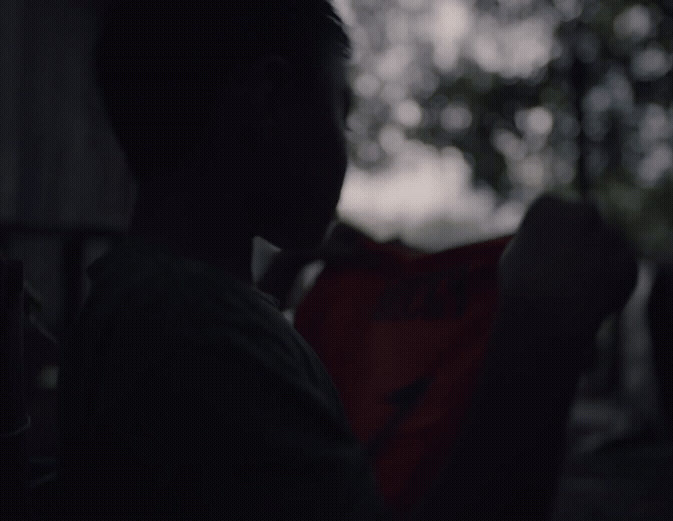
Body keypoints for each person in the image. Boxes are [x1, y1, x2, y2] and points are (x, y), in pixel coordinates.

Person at [56, 1, 637, 518]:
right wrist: (539, 334)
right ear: (267, 103)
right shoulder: (203, 338)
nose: (347, 145)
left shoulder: (139, 302)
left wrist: (279, 284)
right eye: (342, 111)